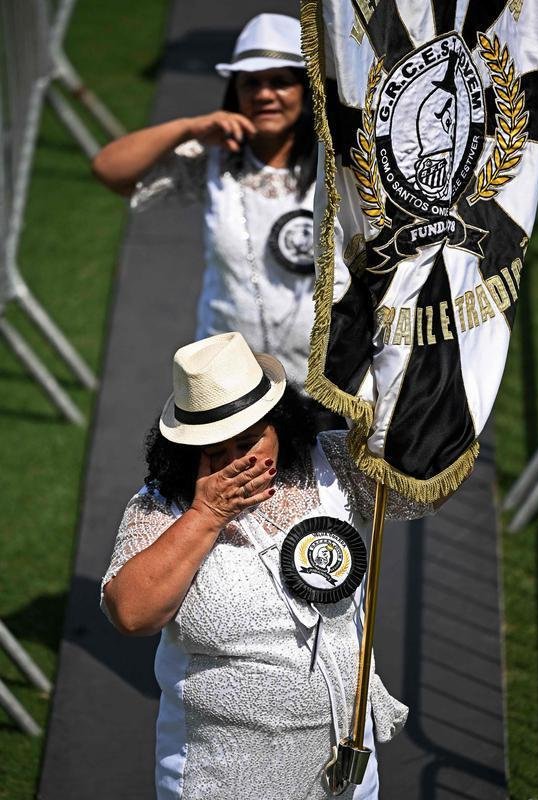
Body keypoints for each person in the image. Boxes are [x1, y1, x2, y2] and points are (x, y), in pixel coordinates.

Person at [101, 332, 437, 800]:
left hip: (343, 764)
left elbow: (421, 487)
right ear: (187, 454)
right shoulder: (160, 507)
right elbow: (131, 613)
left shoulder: (335, 462)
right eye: (217, 453)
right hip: (221, 776)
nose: (239, 463)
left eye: (250, 441)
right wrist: (208, 515)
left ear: (280, 425)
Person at [92, 14, 320, 391]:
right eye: (251, 83)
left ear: (306, 90)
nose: (264, 95)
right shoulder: (212, 159)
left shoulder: (342, 164)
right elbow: (110, 170)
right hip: (229, 385)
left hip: (326, 383)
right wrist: (188, 128)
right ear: (235, 93)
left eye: (280, 82)